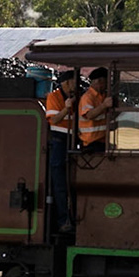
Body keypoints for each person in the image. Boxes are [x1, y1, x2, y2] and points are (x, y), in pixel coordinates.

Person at [44, 69, 76, 235]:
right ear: (67, 83)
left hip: (75, 141)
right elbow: (53, 119)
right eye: (74, 81)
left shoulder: (78, 97)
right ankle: (63, 220)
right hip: (59, 142)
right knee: (59, 183)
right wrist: (66, 109)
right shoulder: (54, 97)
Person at [78, 66, 116, 149]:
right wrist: (104, 105)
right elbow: (89, 115)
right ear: (99, 81)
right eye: (106, 83)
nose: (107, 86)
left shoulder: (103, 96)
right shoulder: (88, 97)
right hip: (91, 142)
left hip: (103, 140)